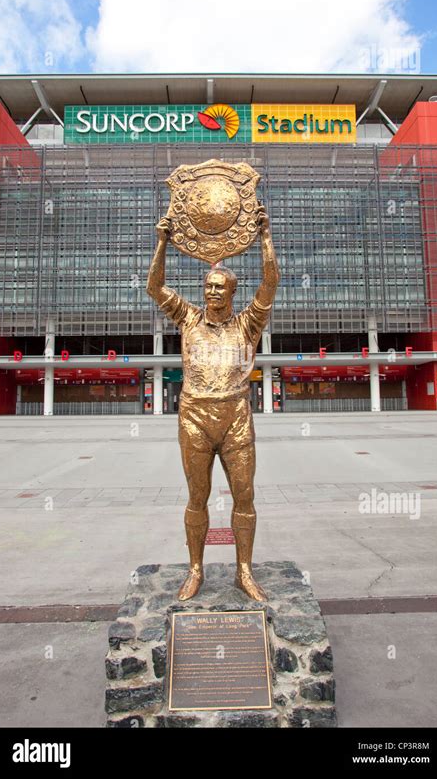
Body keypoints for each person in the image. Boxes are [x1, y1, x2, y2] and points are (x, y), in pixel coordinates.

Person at [146, 206, 279, 601]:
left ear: (232, 292)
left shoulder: (247, 324)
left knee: (245, 496)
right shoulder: (188, 318)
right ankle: (195, 569)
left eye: (220, 287)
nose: (212, 291)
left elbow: (270, 283)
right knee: (196, 497)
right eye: (208, 286)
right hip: (195, 417)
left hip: (236, 416)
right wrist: (163, 241)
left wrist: (265, 237)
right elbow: (155, 288)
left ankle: (244, 571)